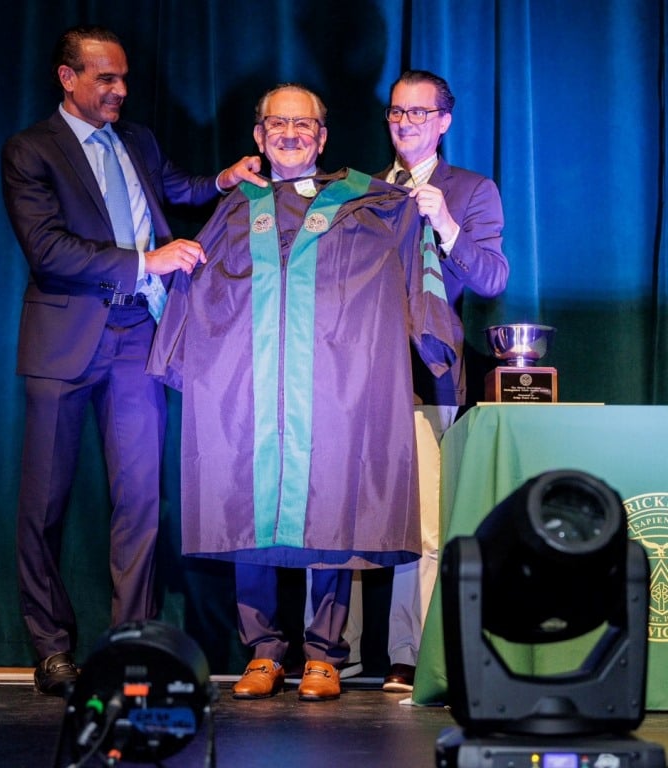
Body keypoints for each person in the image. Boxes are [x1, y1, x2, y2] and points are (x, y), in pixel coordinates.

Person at [147, 83, 460, 702]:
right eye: (277, 125)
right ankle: (263, 652)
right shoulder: (236, 209)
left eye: (303, 125)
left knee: (333, 510)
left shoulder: (369, 204)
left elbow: (416, 265)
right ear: (259, 137)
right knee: (247, 508)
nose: (290, 134)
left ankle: (324, 655)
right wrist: (177, 355)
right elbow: (198, 279)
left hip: (337, 386)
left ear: (321, 138)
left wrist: (434, 343)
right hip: (251, 386)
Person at [1, 24, 265, 696]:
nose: (119, 90)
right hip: (64, 341)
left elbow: (176, 188)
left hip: (137, 338)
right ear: (68, 78)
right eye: (105, 78)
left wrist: (224, 179)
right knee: (44, 504)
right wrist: (146, 261)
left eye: (123, 78)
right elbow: (48, 250)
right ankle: (51, 647)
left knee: (141, 500)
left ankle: (132, 644)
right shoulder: (31, 150)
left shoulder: (137, 140)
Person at [378, 70, 509, 693]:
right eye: (397, 112)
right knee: (356, 516)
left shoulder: (471, 190)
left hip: (428, 375)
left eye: (419, 113)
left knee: (426, 524)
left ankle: (417, 656)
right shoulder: (366, 189)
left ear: (444, 122)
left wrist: (448, 225)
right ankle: (337, 654)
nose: (405, 123)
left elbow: (492, 278)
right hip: (362, 377)